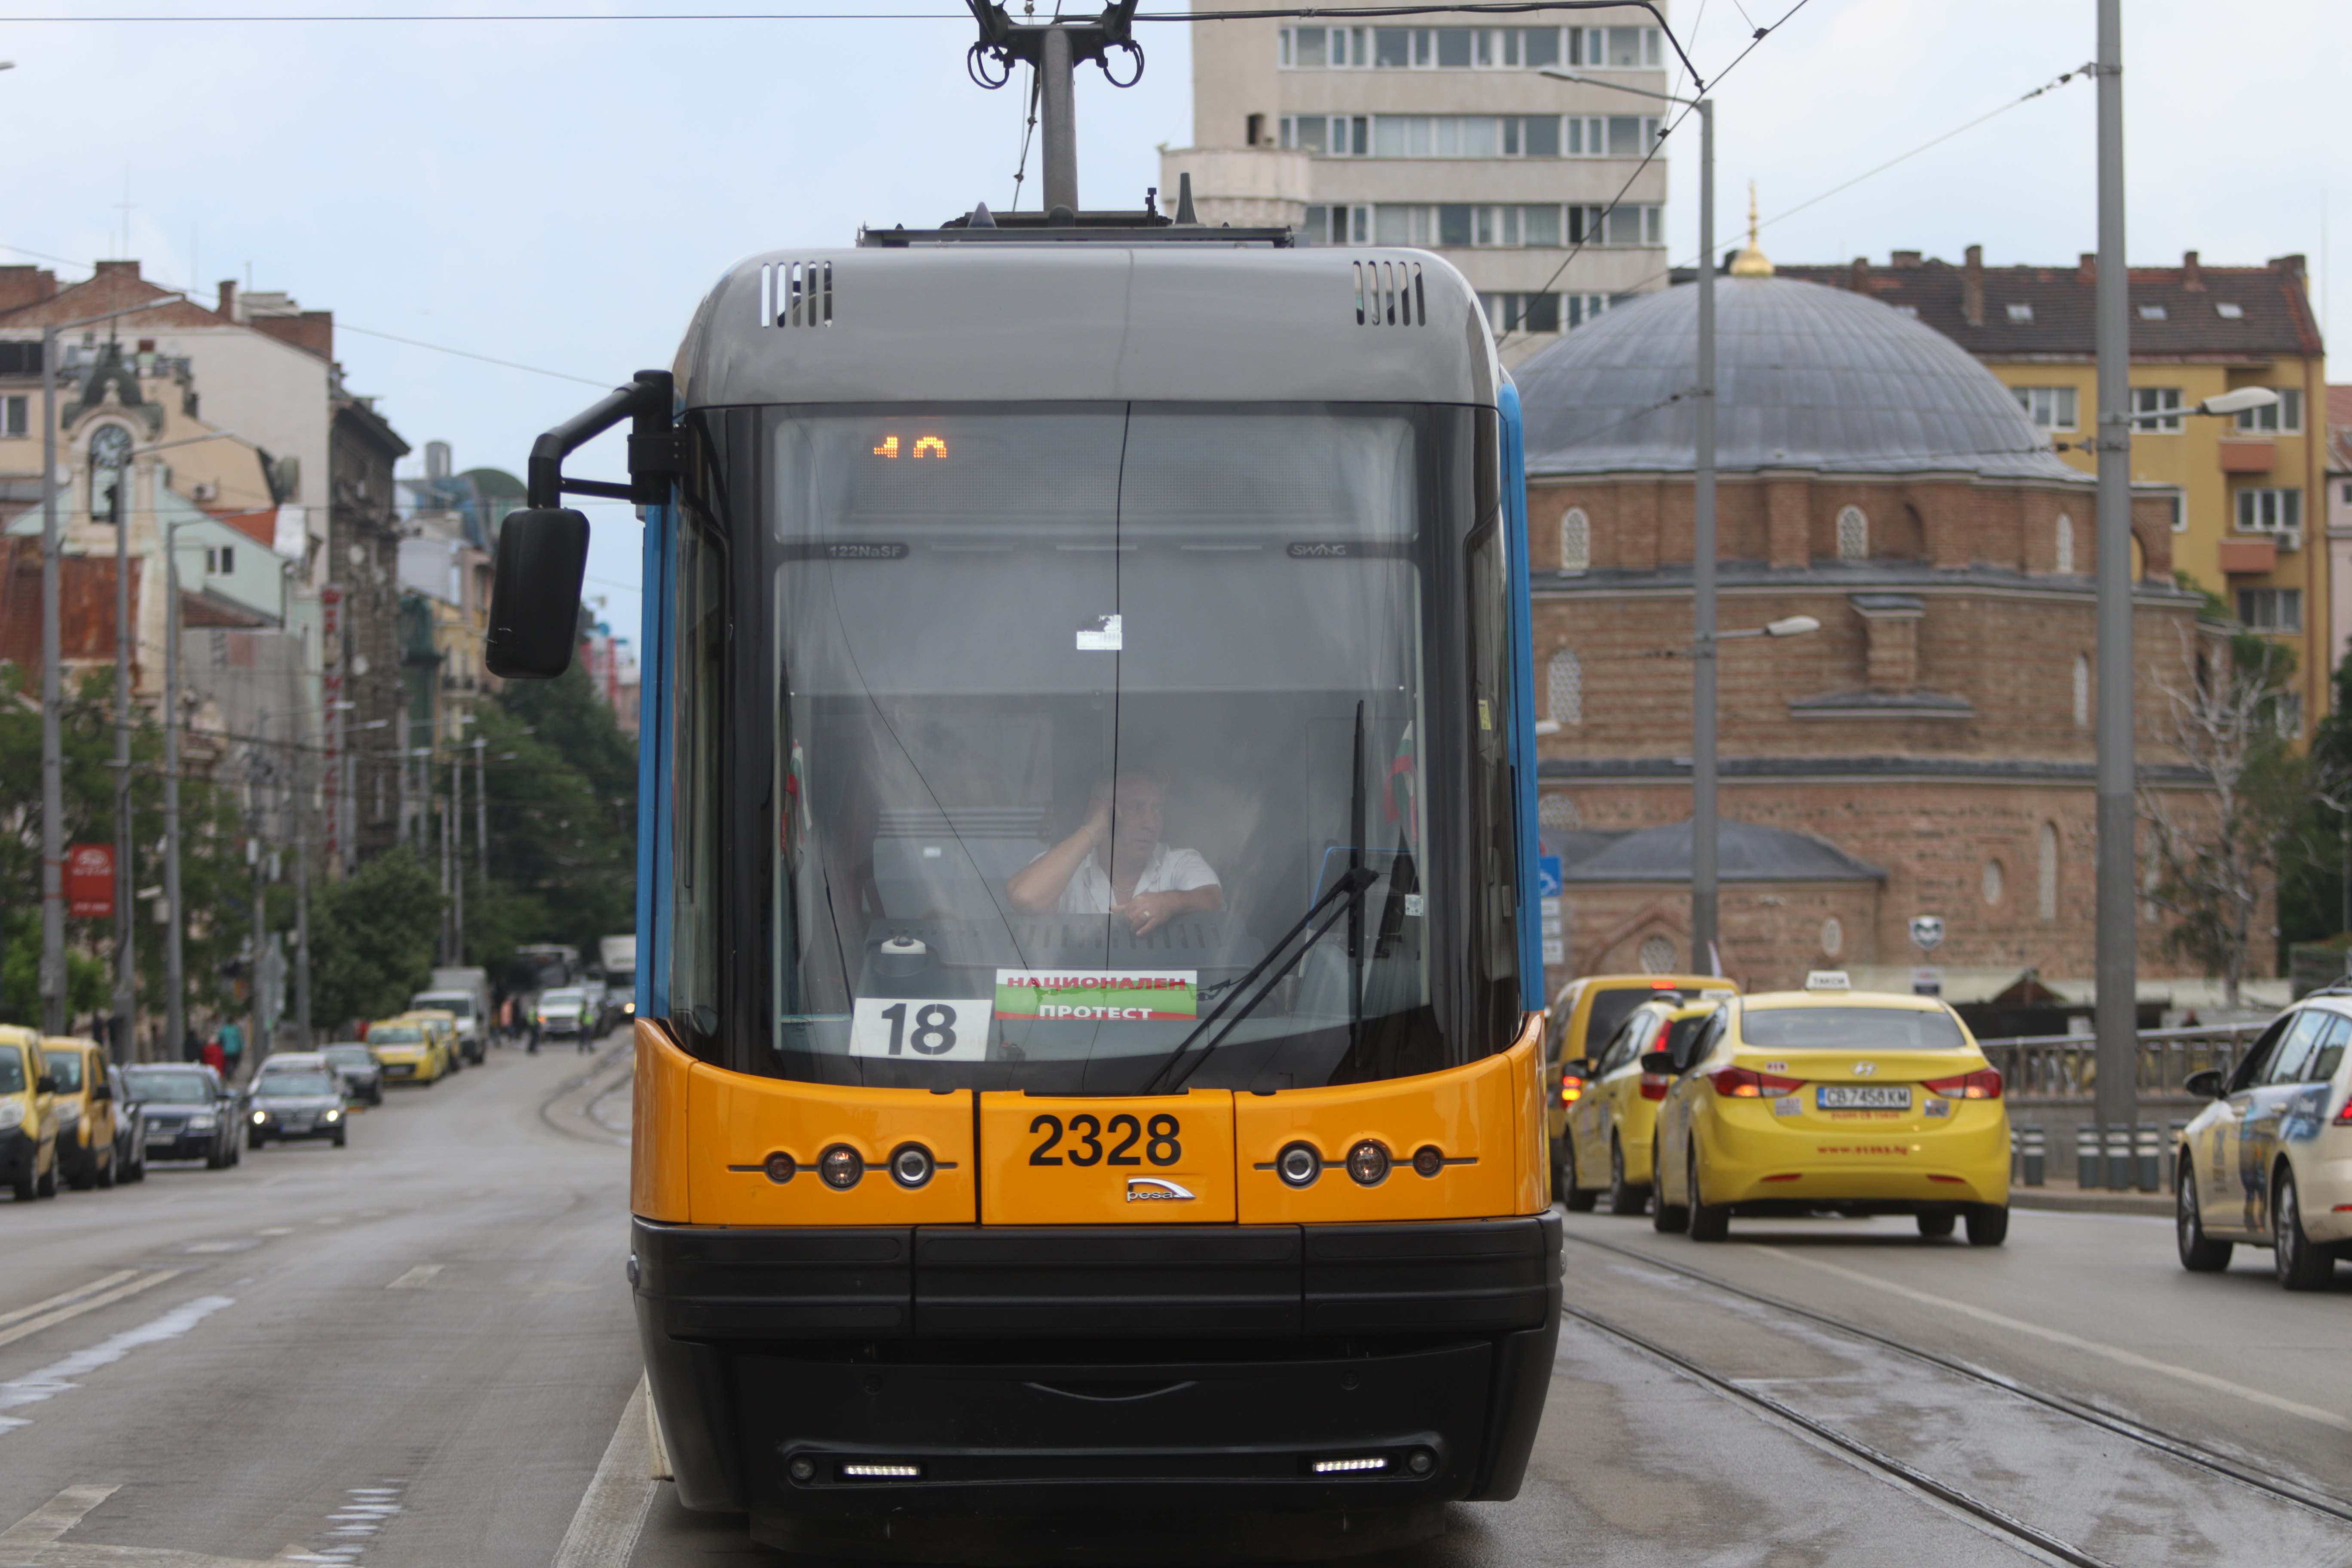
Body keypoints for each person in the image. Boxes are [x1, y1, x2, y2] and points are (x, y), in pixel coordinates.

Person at [1006, 768, 1222, 936]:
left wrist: (1172, 902)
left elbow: (1212, 899)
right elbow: (1025, 898)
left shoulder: (1178, 862)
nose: (1151, 823)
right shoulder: (1064, 869)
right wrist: (1093, 828)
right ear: (1106, 812)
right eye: (1135, 807)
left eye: (1158, 810)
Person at [218, 1020, 244, 1084]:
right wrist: (241, 1048)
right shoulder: (235, 1029)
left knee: (227, 1063)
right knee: (234, 1063)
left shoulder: (224, 1029)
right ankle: (231, 1073)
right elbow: (239, 1040)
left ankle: (228, 1074)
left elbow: (220, 1038)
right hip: (235, 1050)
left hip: (226, 1050)